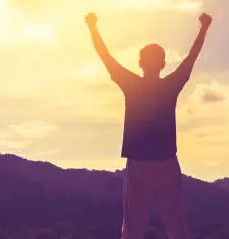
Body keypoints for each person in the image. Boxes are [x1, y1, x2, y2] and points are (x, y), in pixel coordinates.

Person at [85, 12, 213, 239]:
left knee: (132, 228)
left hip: (139, 165)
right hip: (167, 164)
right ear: (163, 64)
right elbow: (191, 57)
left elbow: (105, 56)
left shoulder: (130, 84)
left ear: (140, 63)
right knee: (177, 226)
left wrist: (93, 27)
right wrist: (203, 27)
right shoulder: (171, 85)